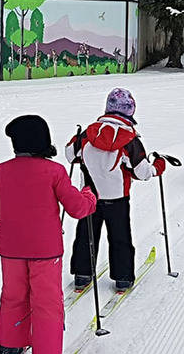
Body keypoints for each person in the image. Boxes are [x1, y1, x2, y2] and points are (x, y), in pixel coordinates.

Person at [0, 115, 96, 354]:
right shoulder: (54, 171)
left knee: (13, 296)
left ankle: (9, 346)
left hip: (10, 249)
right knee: (46, 301)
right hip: (45, 251)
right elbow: (77, 208)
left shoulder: (1, 170)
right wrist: (89, 195)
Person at [66, 88, 166, 292]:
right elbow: (142, 172)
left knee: (86, 235)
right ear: (130, 111)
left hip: (89, 195)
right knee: (120, 236)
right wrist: (158, 166)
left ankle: (82, 275)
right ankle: (122, 278)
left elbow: (71, 155)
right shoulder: (130, 139)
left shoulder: (88, 132)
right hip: (117, 197)